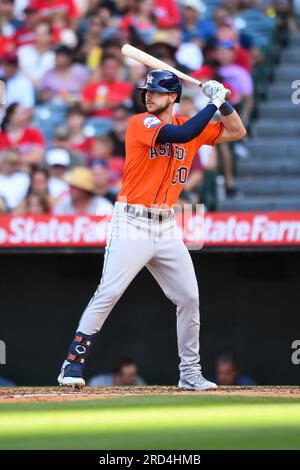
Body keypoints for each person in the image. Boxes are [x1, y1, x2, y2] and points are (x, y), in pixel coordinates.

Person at [58, 69, 246, 390]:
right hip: (131, 221)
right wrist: (212, 104)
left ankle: (190, 373)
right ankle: (72, 365)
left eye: (157, 92)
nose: (149, 95)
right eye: (147, 91)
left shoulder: (190, 122)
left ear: (172, 97)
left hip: (166, 225)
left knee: (188, 297)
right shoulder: (140, 123)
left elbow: (237, 131)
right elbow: (182, 136)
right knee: (110, 292)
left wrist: (223, 103)